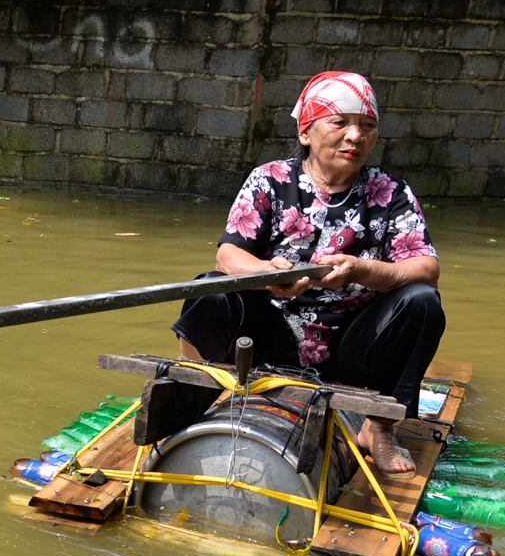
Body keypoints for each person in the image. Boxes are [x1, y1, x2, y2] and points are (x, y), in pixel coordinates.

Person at [172, 70, 443, 476]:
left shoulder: (389, 191)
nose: (355, 136)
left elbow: (426, 267)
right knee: (211, 289)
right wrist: (267, 273)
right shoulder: (270, 179)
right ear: (306, 132)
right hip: (270, 336)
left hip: (353, 347)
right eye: (340, 123)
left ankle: (379, 427)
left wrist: (362, 270)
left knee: (421, 300)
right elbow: (228, 256)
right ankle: (191, 394)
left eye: (367, 126)